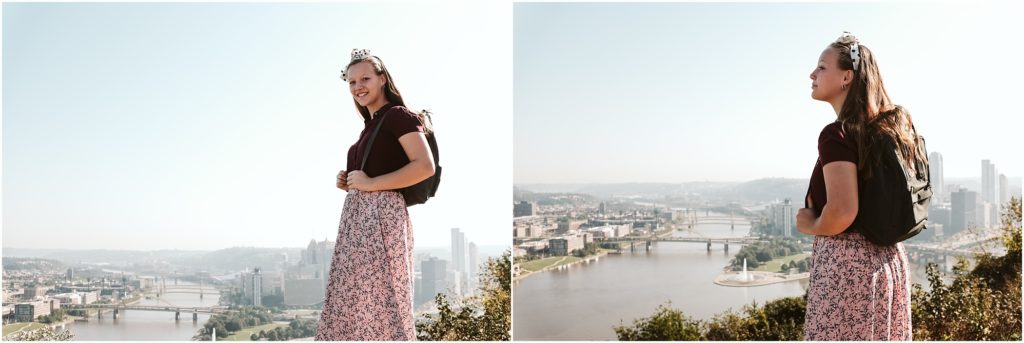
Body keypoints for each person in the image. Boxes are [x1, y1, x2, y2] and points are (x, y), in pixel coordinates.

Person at [799, 32, 917, 340]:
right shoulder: (889, 130)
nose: (812, 74)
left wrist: (810, 224)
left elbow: (841, 211)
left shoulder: (836, 135)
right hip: (889, 264)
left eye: (822, 67)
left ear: (846, 77)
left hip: (847, 271)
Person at [316, 49, 435, 341]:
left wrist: (371, 184)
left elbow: (425, 166)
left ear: (382, 79)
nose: (358, 86)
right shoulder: (370, 126)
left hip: (381, 219)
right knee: (353, 299)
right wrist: (350, 181)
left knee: (381, 298)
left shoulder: (398, 116)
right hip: (358, 220)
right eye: (351, 82)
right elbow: (374, 172)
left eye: (365, 78)